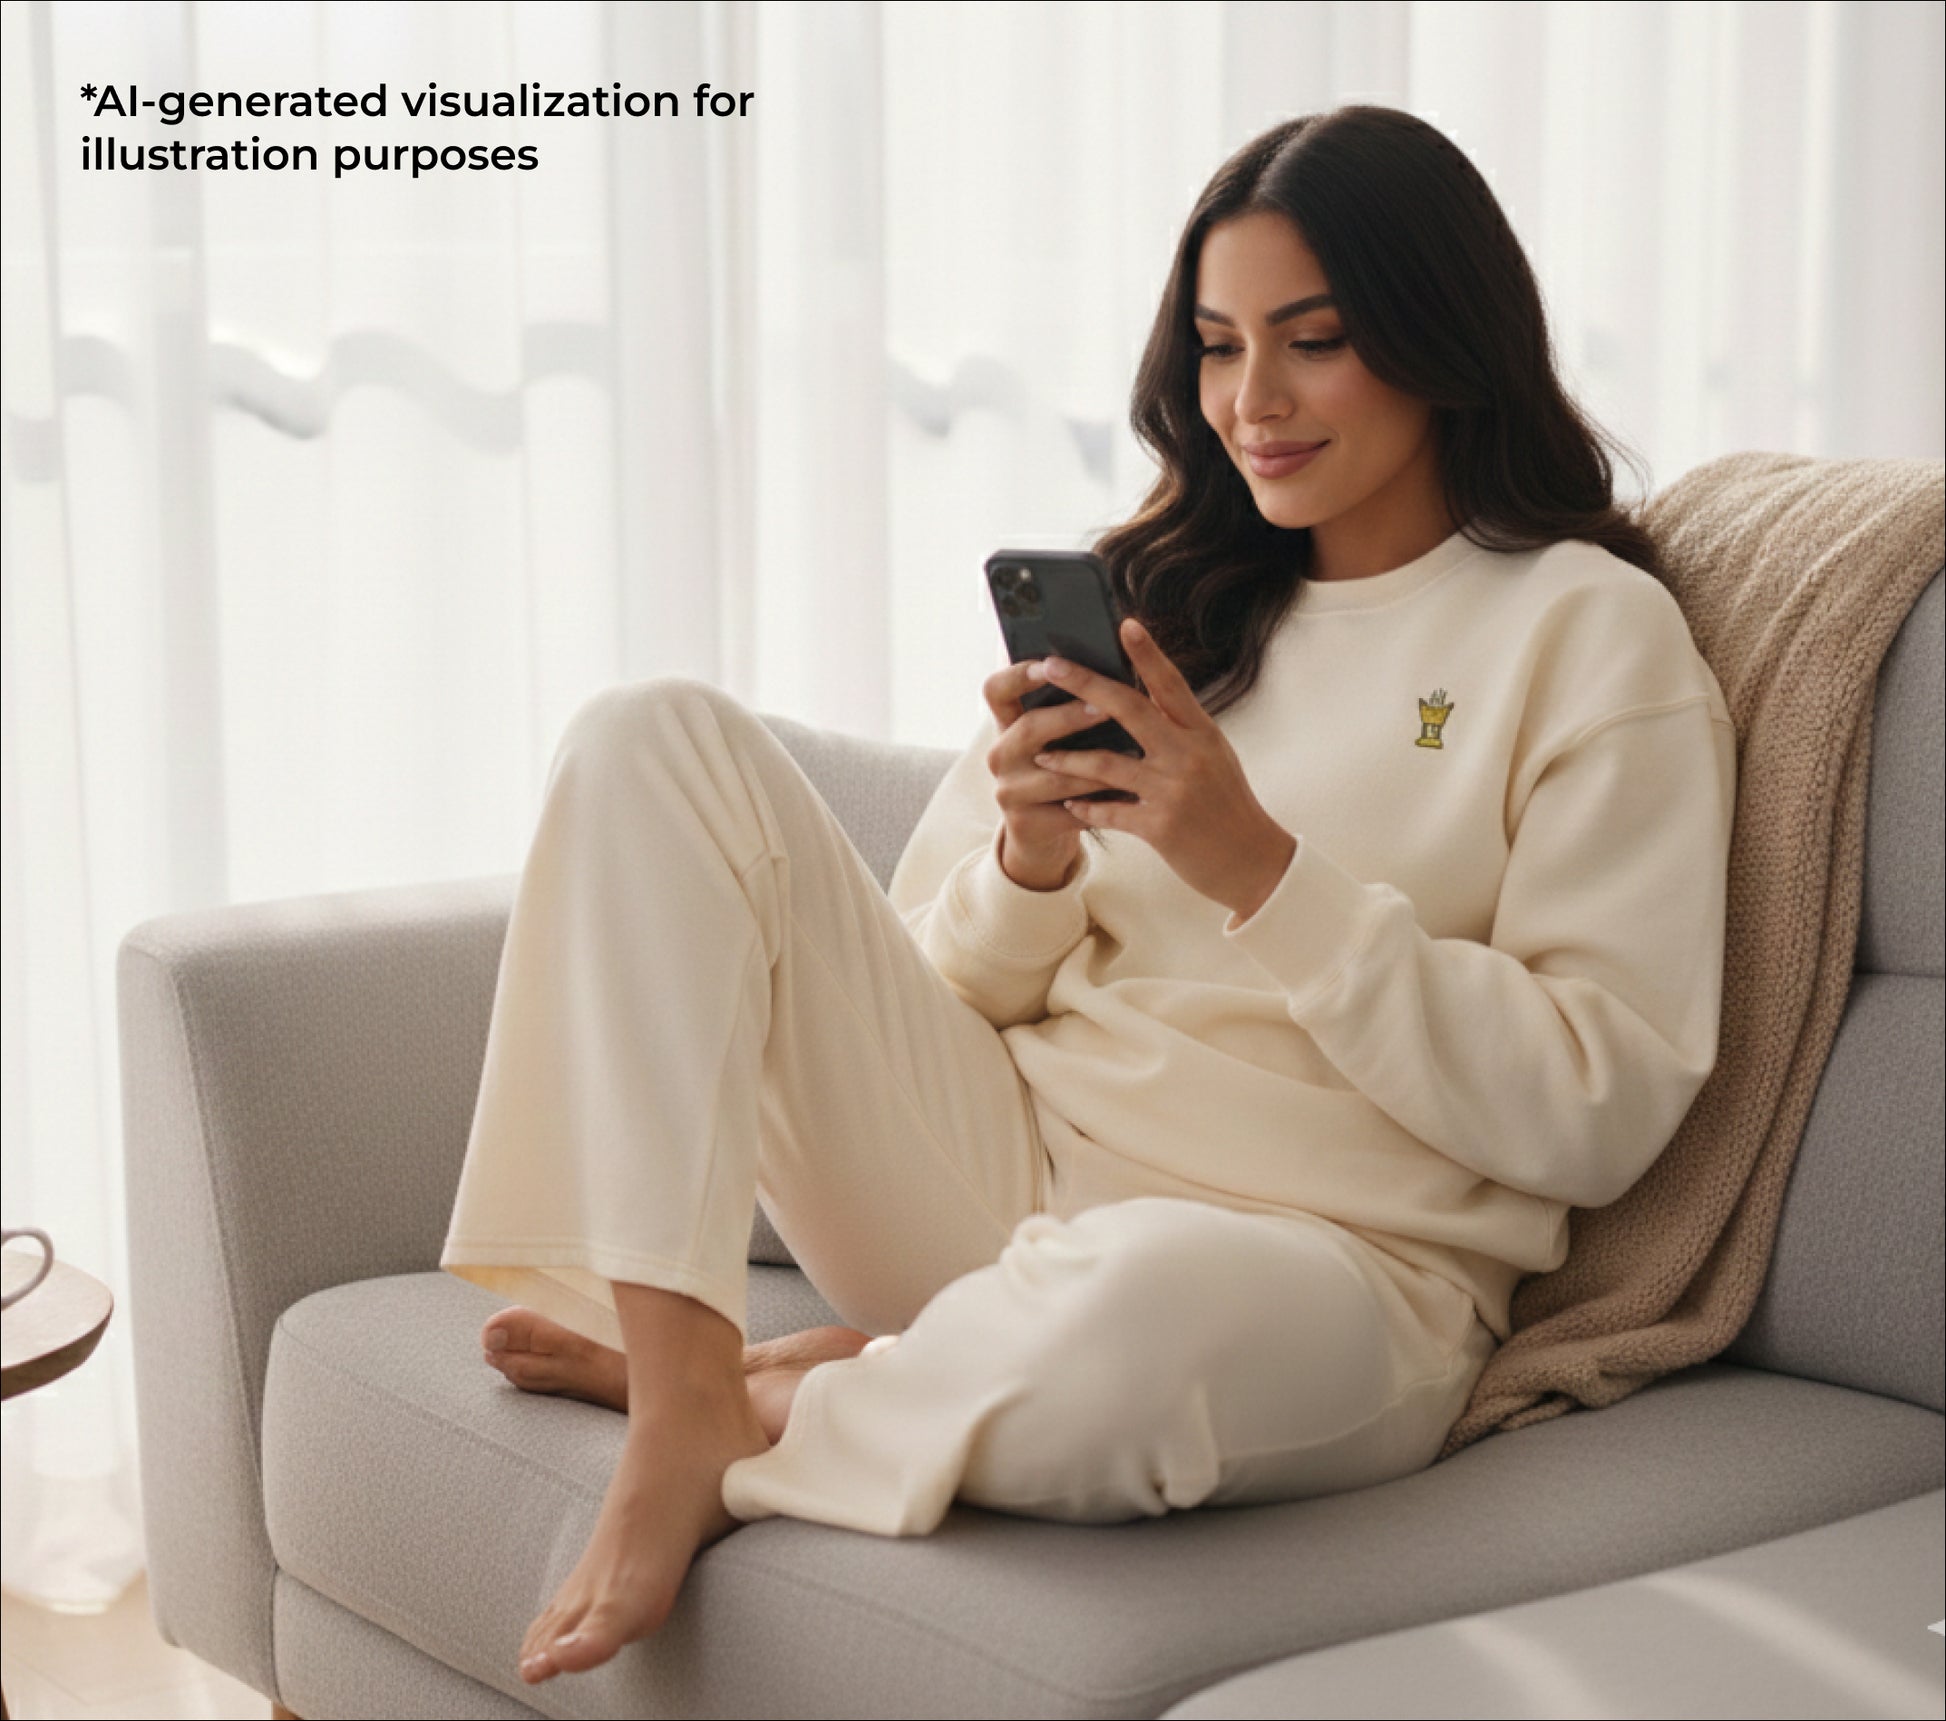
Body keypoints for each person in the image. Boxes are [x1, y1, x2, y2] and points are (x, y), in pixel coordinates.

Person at [440, 102, 1736, 1687]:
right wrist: (1028, 866)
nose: (1249, 402)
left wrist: (1251, 865)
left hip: (1313, 1271)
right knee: (648, 737)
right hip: (993, 1174)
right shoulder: (1168, 598)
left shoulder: (1587, 635)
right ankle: (697, 1365)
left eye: (1310, 341)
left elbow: (1590, 1110)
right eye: (1213, 345)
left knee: (1133, 1316)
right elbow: (936, 989)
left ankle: (757, 1398)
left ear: (1437, 336)